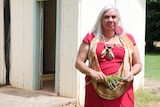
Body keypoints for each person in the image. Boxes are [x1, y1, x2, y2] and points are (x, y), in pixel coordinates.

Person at [75, 4, 142, 107]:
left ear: (118, 19)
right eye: (106, 17)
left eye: (113, 17)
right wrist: (92, 72)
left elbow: (138, 64)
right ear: (101, 19)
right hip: (96, 88)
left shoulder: (128, 38)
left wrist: (131, 73)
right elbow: (78, 63)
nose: (110, 20)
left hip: (123, 88)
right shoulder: (91, 37)